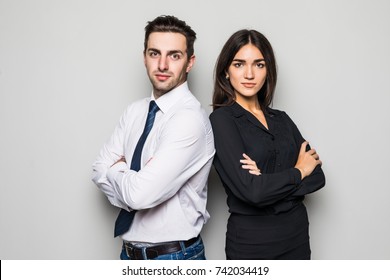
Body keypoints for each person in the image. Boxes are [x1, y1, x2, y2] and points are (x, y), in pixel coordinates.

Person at [92, 15, 215, 260]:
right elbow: (97, 170)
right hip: (128, 254)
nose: (162, 65)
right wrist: (133, 183)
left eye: (174, 55)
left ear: (190, 62)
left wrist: (117, 171)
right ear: (144, 56)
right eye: (155, 53)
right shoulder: (135, 111)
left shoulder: (189, 120)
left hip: (173, 258)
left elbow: (139, 195)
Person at [209, 29, 326, 260]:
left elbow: (318, 177)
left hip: (297, 237)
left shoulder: (281, 119)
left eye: (259, 65)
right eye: (239, 64)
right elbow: (252, 192)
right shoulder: (221, 120)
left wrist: (266, 183)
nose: (249, 74)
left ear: (267, 71)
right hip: (253, 243)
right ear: (226, 71)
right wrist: (299, 170)